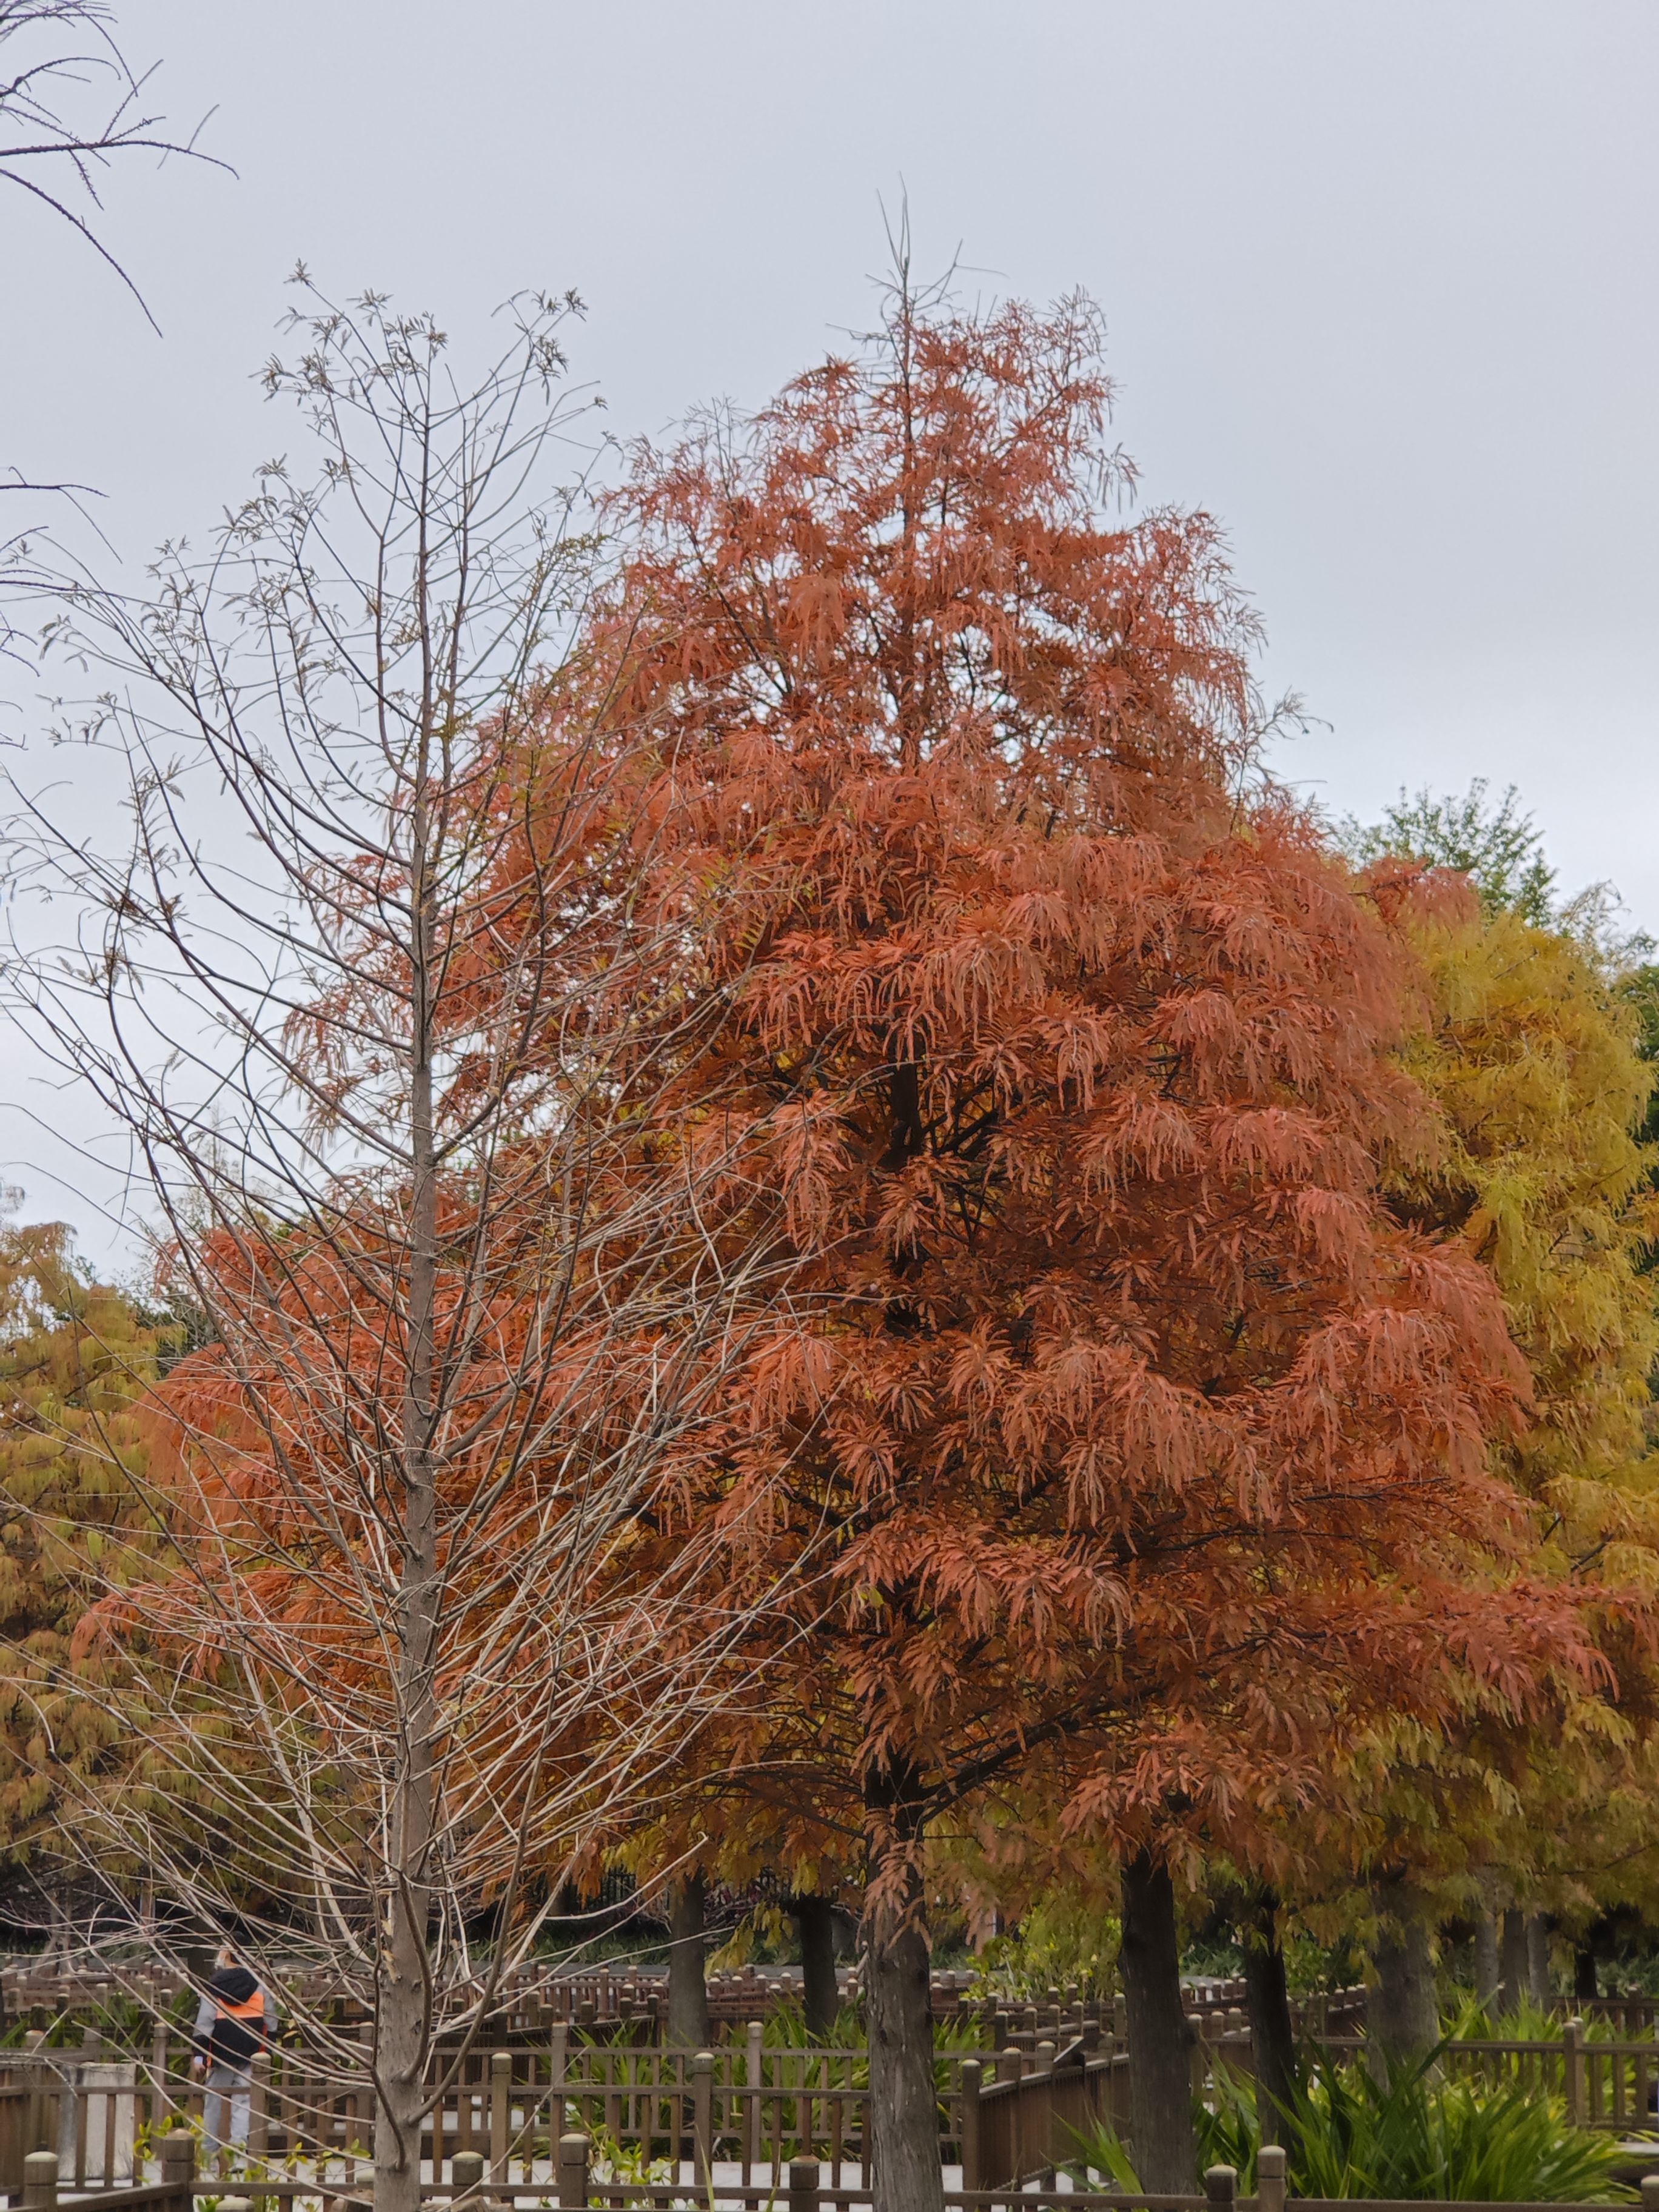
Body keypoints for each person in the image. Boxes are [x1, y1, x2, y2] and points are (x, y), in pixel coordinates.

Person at [190, 1945, 275, 2166]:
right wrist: (268, 2051)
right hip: (252, 2053)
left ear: (226, 1957)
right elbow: (271, 2021)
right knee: (244, 2104)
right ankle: (239, 2157)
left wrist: (199, 2056)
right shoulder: (259, 1985)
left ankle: (209, 2156)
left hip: (220, 2054)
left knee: (213, 2103)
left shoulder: (214, 1987)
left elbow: (205, 2023)